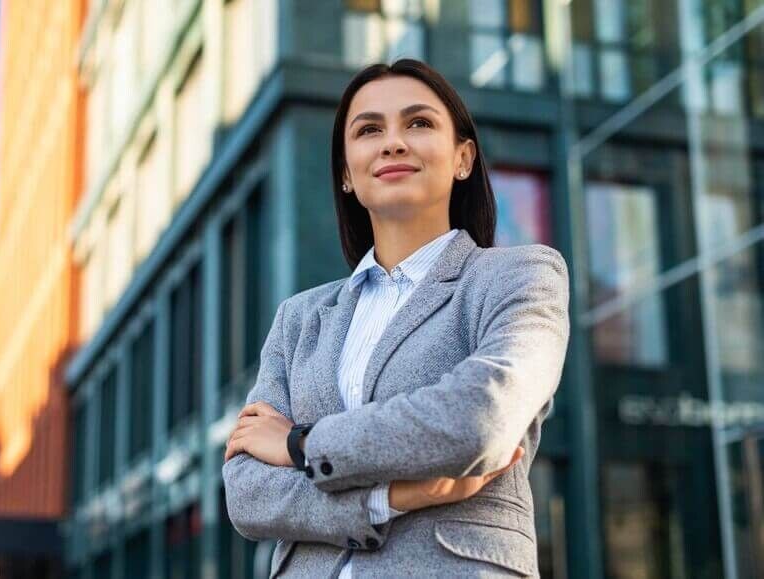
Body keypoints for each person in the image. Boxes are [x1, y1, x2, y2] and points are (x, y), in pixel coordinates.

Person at [222, 58, 570, 578]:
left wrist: (299, 443)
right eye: (368, 130)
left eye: (419, 123)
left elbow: (479, 420)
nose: (393, 142)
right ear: (346, 172)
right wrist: (391, 497)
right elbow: (248, 493)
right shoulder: (300, 318)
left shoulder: (520, 275)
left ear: (463, 158)